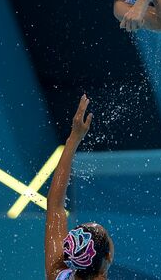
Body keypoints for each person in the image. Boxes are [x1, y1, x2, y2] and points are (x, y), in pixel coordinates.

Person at [45, 95, 114, 280]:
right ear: (108, 256)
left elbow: (55, 206)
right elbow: (54, 206)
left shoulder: (59, 276)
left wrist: (74, 138)